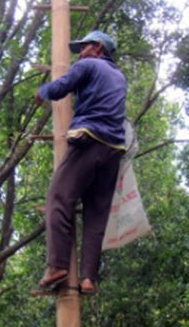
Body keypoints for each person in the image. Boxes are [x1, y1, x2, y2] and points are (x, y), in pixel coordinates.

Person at [35, 30, 127, 294]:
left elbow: (61, 88)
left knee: (58, 198)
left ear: (98, 47)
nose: (80, 53)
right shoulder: (119, 76)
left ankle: (57, 265)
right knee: (96, 215)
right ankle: (88, 277)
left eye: (84, 48)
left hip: (89, 140)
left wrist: (42, 91)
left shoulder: (88, 65)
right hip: (113, 150)